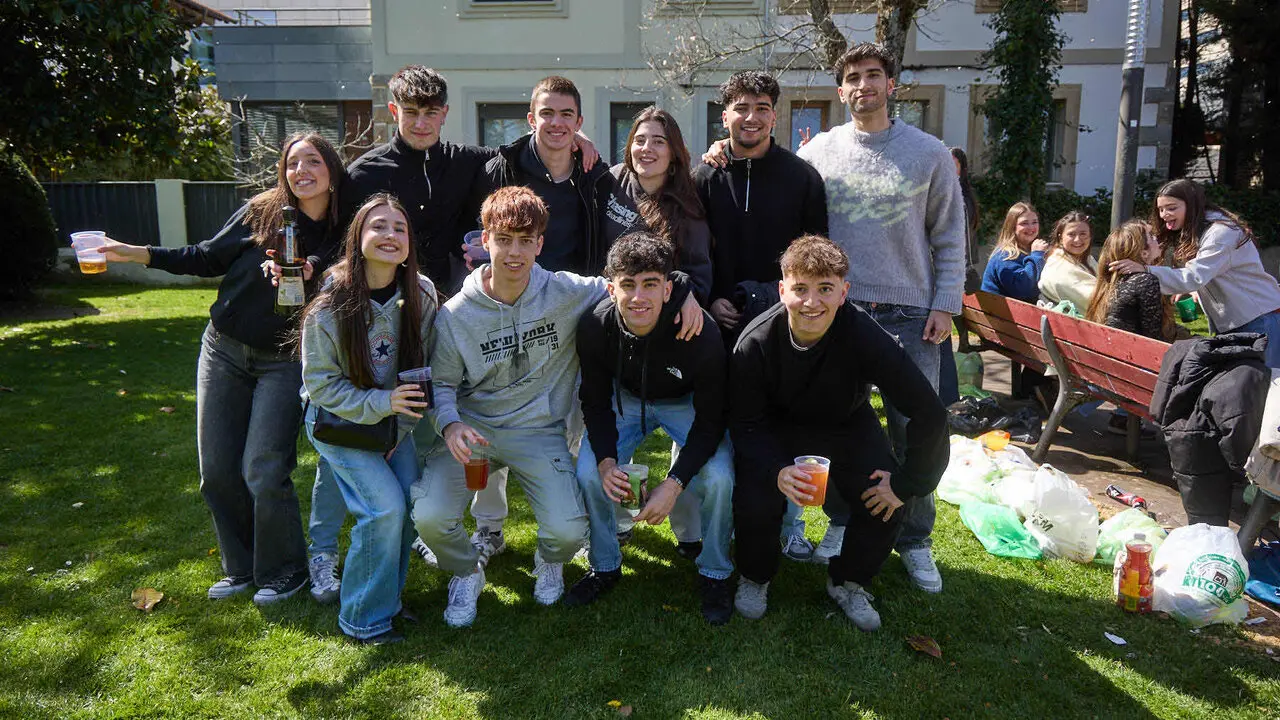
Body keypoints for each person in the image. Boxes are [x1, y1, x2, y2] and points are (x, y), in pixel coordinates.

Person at [410, 187, 702, 628]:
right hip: (475, 432)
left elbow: (632, 275)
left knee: (567, 533)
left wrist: (683, 290)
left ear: (540, 245)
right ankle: (466, 572)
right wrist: (449, 426)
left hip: (539, 431)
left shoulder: (565, 291)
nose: (514, 252)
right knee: (430, 518)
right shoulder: (455, 315)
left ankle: (550, 561)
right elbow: (444, 384)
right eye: (504, 239)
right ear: (484, 239)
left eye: (526, 240)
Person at [96, 132, 345, 604]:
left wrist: (312, 271)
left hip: (288, 358)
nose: (301, 171)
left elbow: (342, 274)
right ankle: (242, 567)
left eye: (313, 161)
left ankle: (286, 569)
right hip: (224, 349)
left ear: (332, 171)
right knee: (216, 470)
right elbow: (207, 255)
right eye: (293, 163)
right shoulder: (261, 211)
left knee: (263, 468)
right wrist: (135, 252)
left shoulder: (343, 226)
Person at [793, 42, 965, 587]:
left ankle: (915, 539)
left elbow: (950, 236)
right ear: (840, 90)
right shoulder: (818, 152)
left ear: (892, 85)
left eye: (873, 75)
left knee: (915, 426)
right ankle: (843, 521)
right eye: (852, 77)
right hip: (839, 311)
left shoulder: (930, 153)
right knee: (841, 422)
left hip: (912, 311)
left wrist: (945, 304)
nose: (863, 85)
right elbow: (781, 193)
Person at [729, 235, 948, 630]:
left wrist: (908, 482)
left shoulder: (866, 336)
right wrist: (775, 470)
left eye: (825, 289)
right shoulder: (754, 343)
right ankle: (755, 576)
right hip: (777, 430)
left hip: (846, 423)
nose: (812, 302)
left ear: (844, 292)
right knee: (755, 492)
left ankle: (849, 580)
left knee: (883, 491)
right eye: (800, 290)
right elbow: (745, 423)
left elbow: (928, 411)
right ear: (783, 290)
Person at [693, 69, 828, 563]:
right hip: (718, 325)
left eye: (762, 107)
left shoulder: (802, 178)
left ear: (775, 114)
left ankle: (791, 525)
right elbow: (690, 250)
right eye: (741, 108)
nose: (751, 117)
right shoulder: (703, 177)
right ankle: (715, 524)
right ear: (724, 114)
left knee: (784, 423)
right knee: (722, 424)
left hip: (783, 324)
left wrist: (787, 307)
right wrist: (709, 300)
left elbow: (816, 255)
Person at [566, 232, 734, 624]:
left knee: (721, 476)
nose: (638, 297)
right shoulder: (593, 325)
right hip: (625, 400)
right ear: (611, 289)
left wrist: (673, 485)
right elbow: (593, 401)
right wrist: (608, 463)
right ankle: (604, 564)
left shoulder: (701, 331)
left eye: (649, 285)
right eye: (627, 285)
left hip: (684, 402)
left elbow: (711, 422)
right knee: (590, 471)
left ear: (667, 289)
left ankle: (715, 572)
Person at [299, 194, 437, 644]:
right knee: (383, 509)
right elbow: (320, 385)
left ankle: (387, 603)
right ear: (357, 237)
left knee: (410, 504)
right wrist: (384, 406)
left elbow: (423, 374)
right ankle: (362, 618)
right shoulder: (330, 303)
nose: (390, 236)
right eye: (379, 226)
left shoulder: (422, 293)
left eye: (400, 228)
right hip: (337, 425)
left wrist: (400, 428)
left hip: (394, 425)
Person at [1111, 178, 1280, 368]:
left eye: (1171, 208)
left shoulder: (1221, 233)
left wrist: (1146, 270)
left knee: (1267, 384)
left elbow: (1194, 276)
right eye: (1161, 209)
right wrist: (1195, 290)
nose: (1164, 214)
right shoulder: (1200, 230)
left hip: (1259, 319)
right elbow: (1207, 274)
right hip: (1239, 322)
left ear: (1191, 205)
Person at [481, 75, 611, 274]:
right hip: (515, 298)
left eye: (566, 114)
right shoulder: (502, 170)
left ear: (579, 123)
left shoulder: (596, 179)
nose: (556, 122)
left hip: (579, 298)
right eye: (547, 113)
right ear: (532, 120)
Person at [601, 106, 712, 302]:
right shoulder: (613, 179)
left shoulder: (687, 209)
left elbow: (699, 282)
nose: (646, 148)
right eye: (640, 140)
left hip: (655, 311)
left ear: (673, 153)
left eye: (658, 142)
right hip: (604, 298)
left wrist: (682, 300)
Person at [937, 147, 981, 407]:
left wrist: (958, 271)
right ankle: (948, 399)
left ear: (961, 169)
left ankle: (948, 400)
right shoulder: (958, 196)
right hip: (954, 277)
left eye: (953, 164)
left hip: (950, 278)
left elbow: (961, 244)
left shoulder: (958, 199)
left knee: (941, 340)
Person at [1087, 220, 1174, 341]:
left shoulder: (1111, 282)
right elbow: (1154, 339)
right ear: (1143, 253)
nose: (1157, 239)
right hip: (1133, 356)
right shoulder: (1145, 281)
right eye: (1152, 236)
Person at [981, 202, 1049, 302]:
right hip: (1000, 314)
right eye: (1024, 223)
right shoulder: (1005, 255)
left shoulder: (1034, 250)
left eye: (1034, 222)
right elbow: (1023, 290)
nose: (1031, 227)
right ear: (1012, 227)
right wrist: (1037, 255)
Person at [1038, 210, 1097, 313]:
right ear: (1061, 238)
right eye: (1071, 234)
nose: (1077, 240)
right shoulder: (1059, 266)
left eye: (1083, 234)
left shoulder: (1088, 259)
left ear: (1090, 236)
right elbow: (1095, 301)